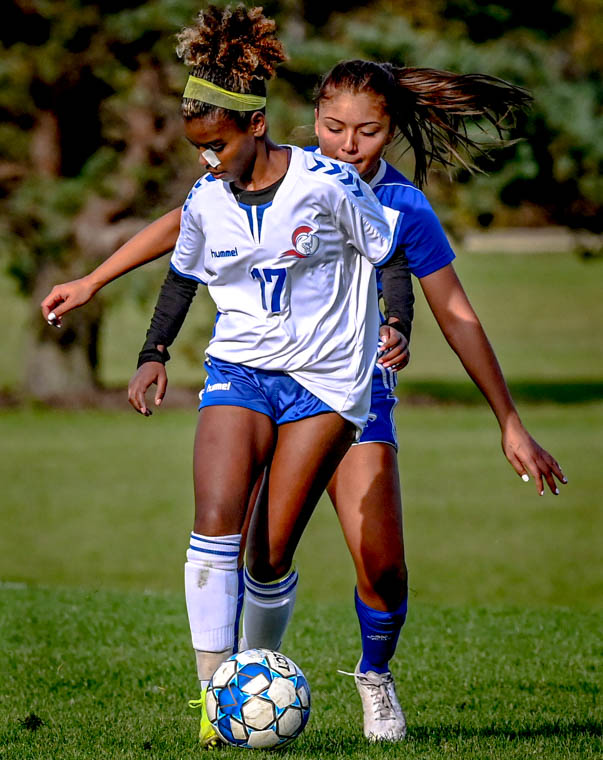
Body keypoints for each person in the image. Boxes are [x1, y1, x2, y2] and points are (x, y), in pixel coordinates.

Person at [41, 51, 567, 746]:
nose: (347, 145)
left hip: (350, 393)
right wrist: (95, 282)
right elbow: (183, 224)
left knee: (379, 565)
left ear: (389, 132)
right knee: (253, 546)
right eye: (332, 126)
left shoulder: (399, 204)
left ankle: (374, 678)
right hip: (255, 376)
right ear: (310, 119)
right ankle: (231, 695)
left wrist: (507, 420)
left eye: (367, 132)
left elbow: (455, 312)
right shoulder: (272, 170)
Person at [42, 4, 427, 750]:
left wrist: (395, 324)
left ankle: (259, 667)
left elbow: (389, 253)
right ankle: (215, 701)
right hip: (239, 369)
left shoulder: (327, 183)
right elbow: (182, 277)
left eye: (214, 147)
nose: (205, 163)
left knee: (268, 552)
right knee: (213, 525)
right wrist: (152, 356)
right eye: (196, 150)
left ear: (254, 126)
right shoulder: (206, 199)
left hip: (323, 385)